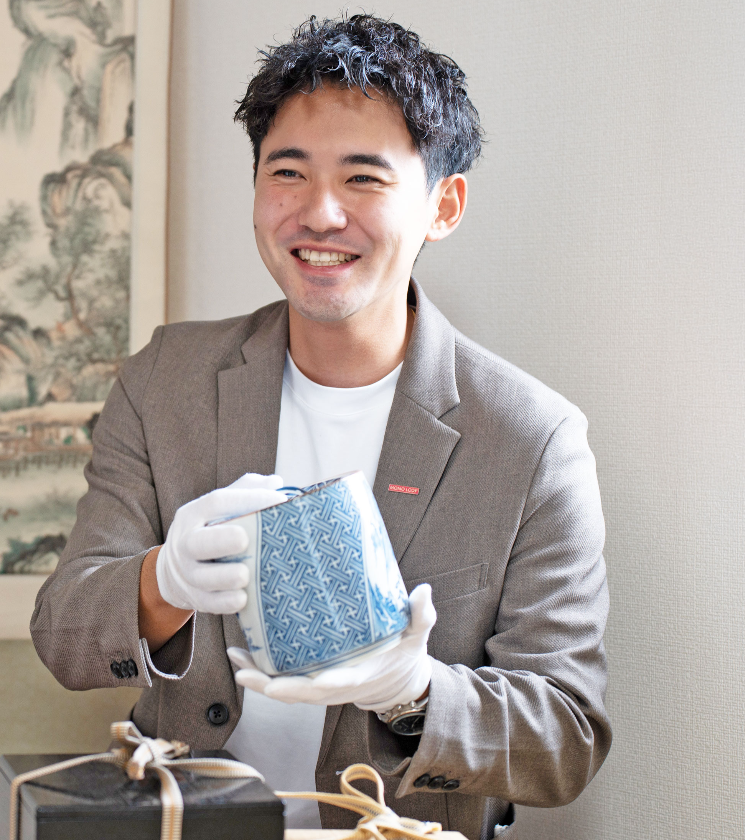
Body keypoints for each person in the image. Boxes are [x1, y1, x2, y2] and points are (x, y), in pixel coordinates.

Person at [31, 14, 610, 840]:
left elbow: (566, 740)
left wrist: (415, 691)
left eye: (363, 178)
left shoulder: (531, 440)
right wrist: (162, 583)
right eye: (288, 172)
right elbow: (62, 632)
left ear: (443, 205)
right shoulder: (166, 381)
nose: (320, 213)